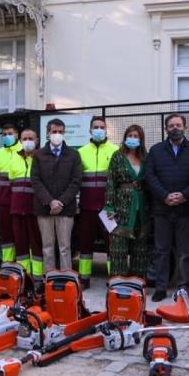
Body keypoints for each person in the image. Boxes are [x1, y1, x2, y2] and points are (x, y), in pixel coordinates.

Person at [145, 113, 189, 302]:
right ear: (166, 129)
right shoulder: (155, 150)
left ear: (185, 127)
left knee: (185, 252)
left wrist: (184, 195)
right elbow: (150, 176)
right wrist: (164, 196)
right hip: (162, 209)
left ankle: (183, 287)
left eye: (178, 125)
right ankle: (161, 288)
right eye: (171, 126)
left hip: (185, 209)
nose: (175, 128)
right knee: (162, 251)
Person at [31, 118, 82, 281]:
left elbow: (76, 181)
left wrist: (61, 202)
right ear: (48, 133)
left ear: (64, 132)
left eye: (60, 132)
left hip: (66, 209)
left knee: (65, 247)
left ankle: (66, 281)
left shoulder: (73, 154)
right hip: (44, 208)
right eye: (54, 132)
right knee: (47, 247)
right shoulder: (38, 154)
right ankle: (50, 279)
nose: (57, 135)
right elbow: (35, 180)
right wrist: (50, 201)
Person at [103, 125, 151, 279]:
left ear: (141, 139)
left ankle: (138, 284)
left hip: (141, 208)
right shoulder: (117, 156)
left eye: (136, 136)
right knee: (119, 249)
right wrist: (109, 206)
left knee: (140, 250)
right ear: (125, 137)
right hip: (120, 207)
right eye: (130, 135)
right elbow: (111, 182)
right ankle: (117, 283)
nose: (133, 138)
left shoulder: (146, 158)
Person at [77, 116, 120, 288]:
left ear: (106, 130)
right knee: (85, 244)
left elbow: (118, 180)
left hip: (107, 208)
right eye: (96, 127)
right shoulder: (81, 152)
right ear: (90, 130)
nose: (99, 130)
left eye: (102, 127)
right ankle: (84, 279)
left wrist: (114, 205)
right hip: (87, 206)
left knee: (112, 245)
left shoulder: (116, 151)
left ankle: (114, 277)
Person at [9, 129, 41, 279]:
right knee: (20, 243)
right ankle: (24, 274)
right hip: (17, 208)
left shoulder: (41, 158)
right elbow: (11, 182)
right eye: (24, 138)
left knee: (36, 242)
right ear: (20, 141)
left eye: (31, 138)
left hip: (34, 209)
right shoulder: (14, 158)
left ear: (37, 140)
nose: (27, 141)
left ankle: (38, 275)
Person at [0, 123, 22, 266]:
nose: (7, 136)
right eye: (4, 134)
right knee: (6, 234)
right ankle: (7, 262)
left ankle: (22, 264)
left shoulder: (24, 151)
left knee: (21, 232)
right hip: (4, 201)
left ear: (17, 134)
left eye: (10, 133)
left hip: (21, 201)